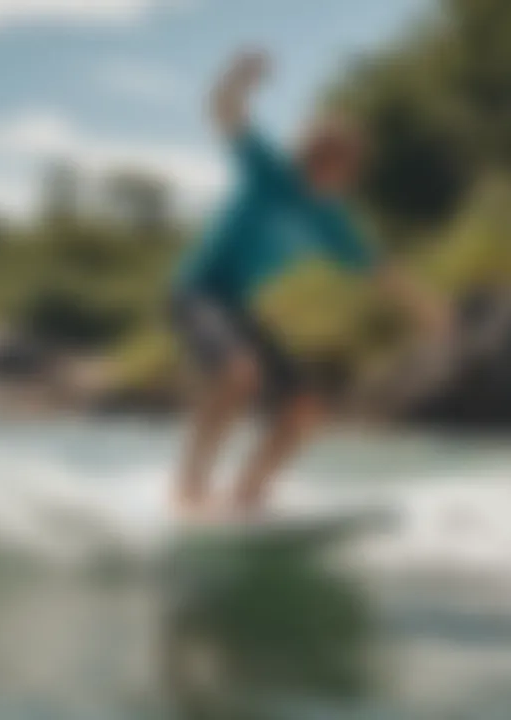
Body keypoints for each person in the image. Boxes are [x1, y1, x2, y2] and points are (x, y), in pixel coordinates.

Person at [169, 50, 450, 519]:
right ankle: (189, 490)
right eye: (333, 157)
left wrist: (430, 312)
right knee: (240, 374)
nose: (343, 170)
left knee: (304, 408)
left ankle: (246, 495)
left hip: (239, 307)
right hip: (197, 293)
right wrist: (239, 76)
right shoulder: (270, 173)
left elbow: (381, 269)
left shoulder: (332, 221)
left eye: (350, 162)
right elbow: (224, 112)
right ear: (312, 153)